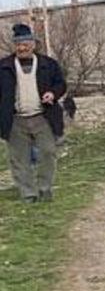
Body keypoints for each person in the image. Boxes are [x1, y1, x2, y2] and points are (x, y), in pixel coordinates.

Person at [0, 23, 66, 202]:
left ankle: (45, 189)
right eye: (18, 45)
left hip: (42, 117)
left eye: (25, 44)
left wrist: (53, 93)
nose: (21, 48)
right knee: (19, 159)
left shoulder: (48, 64)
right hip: (15, 120)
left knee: (48, 152)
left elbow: (61, 84)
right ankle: (28, 193)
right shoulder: (4, 67)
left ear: (33, 45)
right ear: (14, 46)